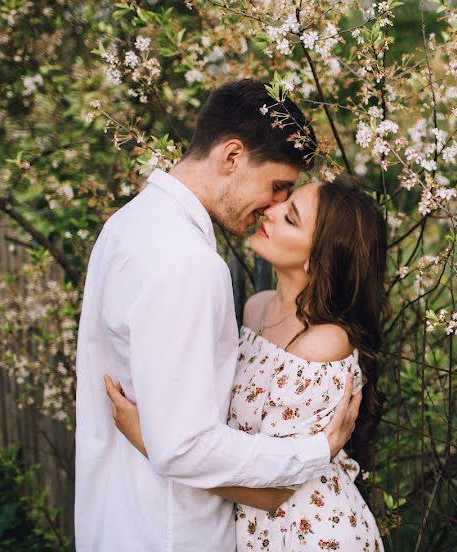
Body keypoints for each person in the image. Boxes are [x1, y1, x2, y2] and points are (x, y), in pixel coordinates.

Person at [75, 79, 361, 551]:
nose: (273, 206)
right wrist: (316, 451)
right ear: (231, 156)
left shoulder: (127, 225)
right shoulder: (188, 262)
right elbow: (184, 445)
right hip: (167, 531)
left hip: (116, 518)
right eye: (277, 187)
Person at [107, 174, 387, 551]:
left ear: (319, 258)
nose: (270, 212)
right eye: (281, 205)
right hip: (256, 533)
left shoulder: (324, 344)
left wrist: (148, 439)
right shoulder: (258, 307)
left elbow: (272, 492)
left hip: (311, 535)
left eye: (290, 218)